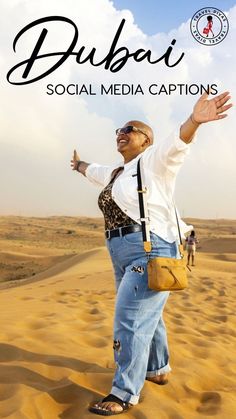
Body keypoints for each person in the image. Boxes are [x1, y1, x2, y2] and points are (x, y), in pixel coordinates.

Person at [70, 91, 232, 416]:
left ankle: (124, 392)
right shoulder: (116, 172)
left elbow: (177, 142)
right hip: (119, 252)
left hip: (149, 249)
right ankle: (157, 368)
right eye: (118, 129)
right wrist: (78, 165)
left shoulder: (155, 161)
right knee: (147, 314)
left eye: (129, 129)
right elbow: (94, 170)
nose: (121, 132)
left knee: (130, 320)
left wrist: (194, 121)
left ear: (146, 140)